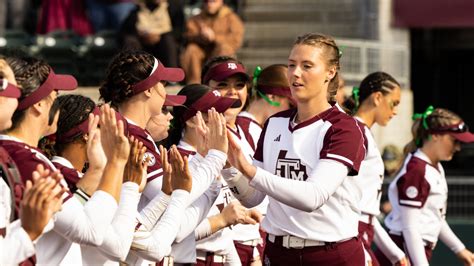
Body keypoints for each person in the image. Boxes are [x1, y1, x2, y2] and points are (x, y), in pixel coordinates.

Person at [223, 33, 367, 265]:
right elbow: (253, 198)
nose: (295, 73)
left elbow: (313, 196)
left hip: (330, 254)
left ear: (330, 72)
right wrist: (228, 166)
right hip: (278, 252)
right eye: (291, 65)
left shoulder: (344, 128)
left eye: (307, 65)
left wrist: (248, 169)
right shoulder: (275, 123)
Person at [98, 50, 230, 264]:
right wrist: (215, 157)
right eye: (162, 84)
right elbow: (173, 195)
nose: (164, 91)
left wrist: (205, 158)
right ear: (148, 90)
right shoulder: (131, 135)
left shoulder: (130, 130)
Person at [2, 56, 126, 265]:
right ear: (39, 105)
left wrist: (96, 171)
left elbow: (65, 216)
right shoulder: (27, 159)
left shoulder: (16, 152)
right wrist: (115, 163)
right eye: (55, 96)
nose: (58, 105)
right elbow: (91, 231)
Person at [166, 83, 260, 265]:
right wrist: (221, 220)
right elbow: (170, 231)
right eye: (213, 112)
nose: (221, 119)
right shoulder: (177, 162)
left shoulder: (216, 158)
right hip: (193, 260)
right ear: (192, 120)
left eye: (222, 112)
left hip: (221, 258)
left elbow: (223, 236)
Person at [381, 106, 474, 266]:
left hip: (414, 250)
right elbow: (410, 228)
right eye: (454, 140)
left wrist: (459, 249)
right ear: (435, 135)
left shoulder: (435, 167)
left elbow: (435, 217)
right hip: (403, 250)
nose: (458, 147)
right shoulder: (417, 170)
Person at [202, 56, 270, 265]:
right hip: (217, 248)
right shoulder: (200, 134)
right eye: (223, 85)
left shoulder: (249, 130)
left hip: (254, 243)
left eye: (239, 85)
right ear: (206, 89)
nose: (233, 92)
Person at [0, 59, 63, 265]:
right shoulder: (21, 154)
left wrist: (32, 224)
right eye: (10, 85)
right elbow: (93, 233)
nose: (17, 93)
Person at [343, 72, 407, 266]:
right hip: (352, 232)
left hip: (362, 230)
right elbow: (348, 201)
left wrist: (396, 255)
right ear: (378, 97)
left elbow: (367, 211)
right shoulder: (356, 133)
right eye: (394, 103)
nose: (395, 111)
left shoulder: (363, 133)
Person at [181, 0, 244, 84]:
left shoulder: (231, 18)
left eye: (213, 1)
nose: (209, 4)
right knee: (191, 49)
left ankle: (219, 81)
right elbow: (188, 35)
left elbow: (236, 40)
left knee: (224, 49)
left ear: (221, 2)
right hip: (202, 51)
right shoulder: (197, 18)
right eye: (206, 2)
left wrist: (214, 37)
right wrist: (201, 36)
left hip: (219, 51)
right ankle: (194, 84)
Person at [120, 0, 183, 67]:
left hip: (164, 43)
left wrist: (159, 36)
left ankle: (171, 74)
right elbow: (125, 31)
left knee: (168, 40)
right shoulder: (138, 9)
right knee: (130, 41)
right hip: (142, 42)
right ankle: (133, 72)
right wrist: (141, 36)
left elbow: (180, 29)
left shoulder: (173, 8)